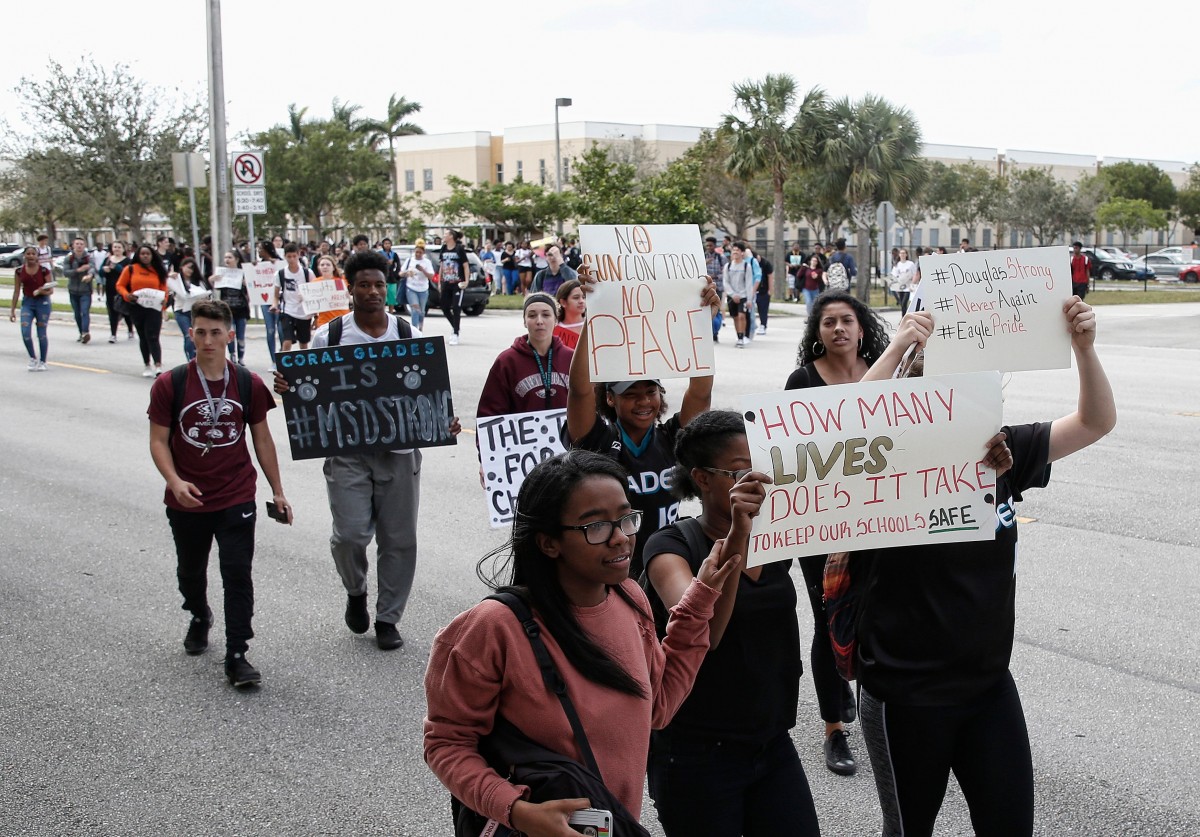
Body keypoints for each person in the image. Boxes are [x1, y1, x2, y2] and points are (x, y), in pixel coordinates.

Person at [854, 301, 1115, 837]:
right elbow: (841, 432)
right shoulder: (880, 468)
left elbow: (1095, 422)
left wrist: (1085, 349)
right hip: (906, 694)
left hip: (988, 687)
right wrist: (899, 346)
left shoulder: (1002, 453)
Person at [423, 450, 742, 836]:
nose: (621, 538)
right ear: (549, 543)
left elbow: (658, 707)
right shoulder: (493, 628)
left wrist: (699, 601)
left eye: (626, 518)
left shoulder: (630, 597)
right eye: (596, 527)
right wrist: (518, 811)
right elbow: (447, 743)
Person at [274, 250, 462, 651]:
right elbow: (308, 390)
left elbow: (432, 396)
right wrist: (290, 386)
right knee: (350, 535)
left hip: (400, 454)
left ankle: (388, 618)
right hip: (347, 454)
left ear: (387, 287)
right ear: (350, 288)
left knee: (399, 539)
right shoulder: (330, 338)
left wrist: (443, 421)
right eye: (364, 285)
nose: (373, 291)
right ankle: (355, 590)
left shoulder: (408, 336)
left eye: (379, 284)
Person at [643, 411, 820, 836]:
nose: (756, 481)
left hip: (771, 742)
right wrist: (738, 533)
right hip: (697, 754)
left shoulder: (775, 539)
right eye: (740, 472)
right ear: (702, 479)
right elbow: (706, 634)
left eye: (761, 468)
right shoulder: (669, 547)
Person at [148, 298, 292, 688]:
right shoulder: (171, 383)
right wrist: (174, 481)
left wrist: (278, 491)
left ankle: (237, 654)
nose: (208, 341)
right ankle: (199, 614)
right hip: (188, 498)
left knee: (237, 574)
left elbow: (263, 439)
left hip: (236, 494)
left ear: (230, 335)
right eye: (201, 332)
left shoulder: (247, 383)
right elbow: (158, 441)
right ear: (190, 334)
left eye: (216, 333)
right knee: (190, 571)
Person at [784, 289, 892, 777]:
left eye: (846, 320)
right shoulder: (802, 381)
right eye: (828, 322)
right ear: (818, 333)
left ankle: (875, 713)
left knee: (873, 615)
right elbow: (789, 451)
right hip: (820, 522)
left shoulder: (891, 371)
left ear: (861, 327)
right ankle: (834, 728)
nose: (838, 329)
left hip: (878, 516)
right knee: (829, 618)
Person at [565, 269, 720, 580]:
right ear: (610, 398)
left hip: (666, 562)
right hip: (613, 567)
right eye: (630, 394)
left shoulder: (673, 437)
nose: (643, 402)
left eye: (650, 391)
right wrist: (595, 318)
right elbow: (579, 390)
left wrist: (701, 321)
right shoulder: (598, 441)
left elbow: (700, 392)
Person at [476, 292, 572, 419]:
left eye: (546, 315)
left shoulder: (572, 358)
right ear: (525, 322)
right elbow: (490, 413)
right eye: (532, 315)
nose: (539, 321)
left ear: (556, 320)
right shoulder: (507, 361)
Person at [118, 245, 170, 378]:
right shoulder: (130, 269)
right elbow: (120, 285)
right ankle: (147, 364)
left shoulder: (158, 270)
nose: (145, 256)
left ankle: (158, 365)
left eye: (148, 254)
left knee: (153, 336)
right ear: (138, 255)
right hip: (137, 307)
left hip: (154, 307)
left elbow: (164, 288)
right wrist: (127, 295)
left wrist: (164, 301)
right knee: (143, 336)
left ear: (152, 255)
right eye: (142, 254)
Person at [9, 246, 55, 371]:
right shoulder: (19, 271)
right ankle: (32, 358)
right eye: (28, 254)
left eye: (33, 254)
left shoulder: (44, 270)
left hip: (42, 303)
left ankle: (43, 361)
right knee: (25, 332)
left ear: (37, 256)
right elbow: (16, 291)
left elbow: (50, 290)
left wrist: (41, 291)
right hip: (27, 303)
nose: (30, 256)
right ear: (24, 256)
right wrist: (12, 310)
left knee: (41, 333)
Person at [271, 243, 316, 352]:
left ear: (298, 255)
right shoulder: (280, 274)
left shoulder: (307, 273)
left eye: (294, 256)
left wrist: (315, 314)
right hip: (288, 310)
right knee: (287, 341)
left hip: (304, 312)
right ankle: (284, 362)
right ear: (285, 257)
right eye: (289, 257)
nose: (292, 259)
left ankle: (304, 362)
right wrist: (274, 305)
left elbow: (315, 292)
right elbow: (276, 294)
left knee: (303, 343)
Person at [167, 257, 212, 361]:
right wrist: (169, 276)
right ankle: (190, 359)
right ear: (182, 267)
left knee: (197, 336)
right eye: (188, 268)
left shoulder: (198, 282)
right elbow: (166, 284)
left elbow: (206, 294)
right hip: (181, 311)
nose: (190, 271)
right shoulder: (176, 280)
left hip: (196, 312)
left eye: (192, 268)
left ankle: (197, 357)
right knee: (188, 335)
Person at [215, 251, 251, 365]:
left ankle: (241, 357)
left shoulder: (243, 273)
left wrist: (246, 284)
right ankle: (232, 355)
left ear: (236, 259)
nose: (227, 260)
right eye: (225, 257)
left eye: (230, 257)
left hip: (241, 309)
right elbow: (214, 287)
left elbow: (252, 289)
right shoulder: (221, 273)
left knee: (240, 335)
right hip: (227, 310)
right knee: (229, 333)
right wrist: (213, 279)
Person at [438, 229, 469, 345]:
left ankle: (455, 333)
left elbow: (465, 266)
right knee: (444, 307)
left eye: (446, 234)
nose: (444, 236)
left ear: (451, 236)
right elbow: (441, 266)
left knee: (456, 307)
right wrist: (439, 282)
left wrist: (466, 281)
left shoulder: (459, 249)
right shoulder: (443, 248)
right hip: (446, 282)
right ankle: (455, 326)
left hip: (457, 283)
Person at [721, 241, 755, 347]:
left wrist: (749, 299)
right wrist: (732, 294)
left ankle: (742, 337)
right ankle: (738, 335)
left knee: (741, 316)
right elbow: (725, 282)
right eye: (734, 250)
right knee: (735, 317)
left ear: (742, 253)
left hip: (743, 296)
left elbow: (749, 283)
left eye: (738, 250)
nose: (735, 252)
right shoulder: (728, 266)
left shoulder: (746, 266)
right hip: (732, 296)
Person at [256, 240, 283, 367]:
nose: (258, 251)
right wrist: (253, 268)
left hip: (279, 300)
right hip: (265, 301)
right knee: (270, 330)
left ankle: (282, 355)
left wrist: (276, 263)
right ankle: (273, 359)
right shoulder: (258, 265)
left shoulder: (279, 263)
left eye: (260, 249)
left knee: (281, 330)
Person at [101, 242, 135, 342]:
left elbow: (129, 273)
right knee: (112, 312)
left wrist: (116, 267)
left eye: (119, 247)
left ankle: (130, 330)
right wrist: (104, 270)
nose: (117, 249)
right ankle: (113, 334)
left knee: (125, 311)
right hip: (110, 289)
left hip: (124, 289)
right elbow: (100, 272)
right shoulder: (107, 260)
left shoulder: (128, 261)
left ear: (123, 249)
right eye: (115, 247)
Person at [64, 237, 95, 344]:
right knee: (77, 313)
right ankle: (81, 332)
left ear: (84, 246)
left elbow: (92, 268)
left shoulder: (89, 257)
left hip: (85, 290)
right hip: (73, 290)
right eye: (77, 244)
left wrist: (90, 275)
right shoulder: (69, 258)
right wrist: (78, 270)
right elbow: (66, 272)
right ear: (73, 245)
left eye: (81, 244)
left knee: (85, 312)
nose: (79, 246)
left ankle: (85, 332)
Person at [400, 239, 435, 332]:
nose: (418, 254)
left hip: (423, 289)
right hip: (411, 288)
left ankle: (420, 327)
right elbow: (400, 273)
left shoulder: (427, 262)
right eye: (416, 252)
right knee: (415, 308)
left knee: (421, 311)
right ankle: (414, 329)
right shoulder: (409, 260)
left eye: (420, 252)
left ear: (423, 253)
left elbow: (431, 276)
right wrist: (407, 273)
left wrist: (423, 270)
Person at [312, 254, 350, 331]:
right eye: (322, 265)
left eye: (328, 265)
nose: (325, 267)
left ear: (333, 267)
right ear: (319, 267)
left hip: (342, 319)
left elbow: (347, 296)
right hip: (323, 322)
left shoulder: (340, 281)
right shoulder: (315, 282)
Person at [703, 236, 727, 341]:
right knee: (706, 310)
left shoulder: (721, 258)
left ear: (715, 246)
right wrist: (705, 263)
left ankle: (715, 331)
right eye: (707, 245)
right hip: (706, 288)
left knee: (716, 309)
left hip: (718, 288)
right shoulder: (702, 257)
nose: (709, 247)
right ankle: (710, 331)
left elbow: (725, 273)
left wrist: (715, 276)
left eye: (711, 245)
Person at [553, 278, 586, 350]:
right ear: (563, 302)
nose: (581, 301)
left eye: (584, 297)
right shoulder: (554, 332)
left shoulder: (593, 325)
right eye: (576, 298)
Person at [890, 248, 918, 315]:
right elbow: (894, 276)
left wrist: (912, 284)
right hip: (900, 287)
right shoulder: (897, 265)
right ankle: (904, 317)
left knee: (904, 303)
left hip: (908, 287)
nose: (902, 254)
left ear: (906, 254)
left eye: (904, 253)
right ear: (899, 255)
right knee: (902, 304)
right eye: (901, 253)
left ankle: (905, 317)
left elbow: (915, 274)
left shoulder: (910, 264)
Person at [754, 251, 773, 335]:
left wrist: (770, 290)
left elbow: (770, 276)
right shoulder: (750, 263)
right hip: (753, 289)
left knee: (763, 309)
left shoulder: (765, 263)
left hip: (763, 289)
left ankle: (763, 325)